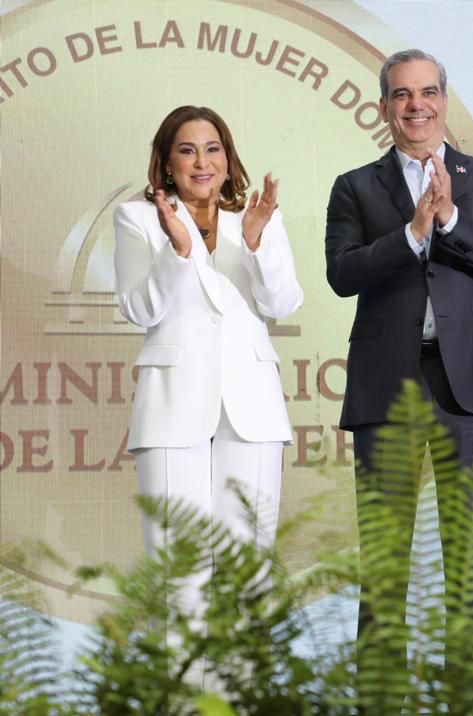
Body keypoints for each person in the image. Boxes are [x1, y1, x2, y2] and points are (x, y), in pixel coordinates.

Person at [324, 49, 473, 700]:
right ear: (384, 107)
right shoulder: (355, 186)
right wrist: (411, 234)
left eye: (429, 93)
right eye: (403, 95)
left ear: (445, 99)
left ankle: (469, 704)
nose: (417, 106)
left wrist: (450, 219)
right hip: (388, 384)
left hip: (469, 386)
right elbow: (342, 274)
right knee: (385, 567)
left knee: (469, 563)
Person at [113, 105, 303, 645]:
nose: (203, 161)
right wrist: (176, 250)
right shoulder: (137, 219)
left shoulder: (258, 218)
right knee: (180, 576)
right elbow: (140, 310)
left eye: (213, 148)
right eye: (188, 150)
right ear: (167, 163)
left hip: (251, 406)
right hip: (174, 405)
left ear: (228, 158)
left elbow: (282, 302)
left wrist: (258, 241)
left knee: (248, 573)